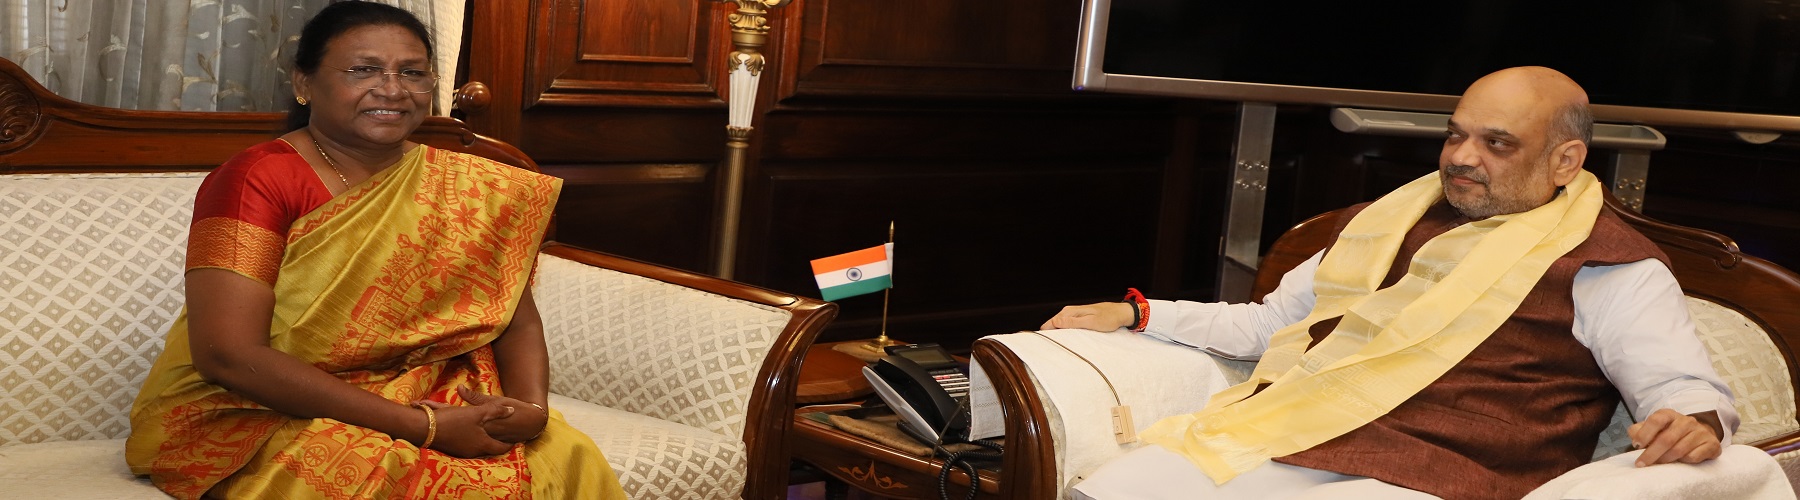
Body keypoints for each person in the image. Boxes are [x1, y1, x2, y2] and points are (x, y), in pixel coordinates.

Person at [1041, 66, 1737, 500]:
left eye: (1497, 143)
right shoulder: (1384, 223)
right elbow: (1269, 327)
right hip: (1305, 433)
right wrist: (1137, 314)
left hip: (1455, 475)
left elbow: (1681, 387)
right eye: (1455, 135)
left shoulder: (1611, 265)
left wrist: (1695, 423)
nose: (1462, 158)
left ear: (1565, 161)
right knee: (1113, 491)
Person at [125, 3, 626, 499]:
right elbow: (227, 355)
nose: (392, 89)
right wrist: (424, 427)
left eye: (412, 72)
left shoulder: (470, 188)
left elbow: (514, 315)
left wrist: (530, 409)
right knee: (366, 469)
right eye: (363, 70)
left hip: (424, 390)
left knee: (567, 454)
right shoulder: (255, 179)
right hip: (253, 405)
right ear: (303, 83)